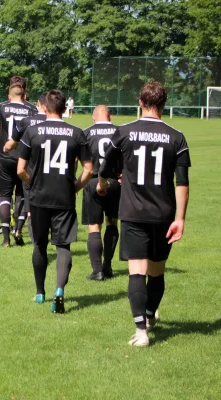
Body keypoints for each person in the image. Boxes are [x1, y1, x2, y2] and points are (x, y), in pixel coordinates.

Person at [98, 82, 191, 347]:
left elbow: (106, 168)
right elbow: (182, 183)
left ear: (140, 101)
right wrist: (180, 219)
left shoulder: (124, 132)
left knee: (136, 272)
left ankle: (141, 331)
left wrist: (103, 184)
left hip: (133, 212)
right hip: (163, 214)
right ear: (164, 103)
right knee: (157, 272)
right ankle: (149, 316)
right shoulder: (177, 137)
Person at [17, 89, 93, 313]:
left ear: (44, 106)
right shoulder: (77, 133)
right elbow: (89, 169)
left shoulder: (32, 131)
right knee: (63, 246)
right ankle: (59, 290)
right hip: (64, 197)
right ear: (63, 108)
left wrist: (32, 184)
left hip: (38, 197)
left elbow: (20, 169)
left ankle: (40, 292)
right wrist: (76, 187)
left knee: (39, 244)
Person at [0, 78, 36, 247]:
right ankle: (18, 230)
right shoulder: (31, 109)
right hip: (25, 158)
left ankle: (6, 238)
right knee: (21, 195)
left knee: (4, 195)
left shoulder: (1, 107)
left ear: (9, 95)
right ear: (24, 95)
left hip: (5, 157)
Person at [82, 105, 122, 281]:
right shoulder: (120, 132)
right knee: (112, 223)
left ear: (93, 118)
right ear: (110, 117)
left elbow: (78, 160)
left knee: (94, 226)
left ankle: (97, 270)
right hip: (114, 182)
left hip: (92, 182)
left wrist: (76, 184)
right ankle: (108, 265)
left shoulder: (86, 133)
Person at [4, 92, 48, 244]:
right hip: (50, 169)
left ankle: (35, 242)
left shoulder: (26, 122)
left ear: (38, 104)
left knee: (29, 203)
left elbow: (11, 143)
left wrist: (5, 149)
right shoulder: (56, 122)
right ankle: (20, 229)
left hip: (29, 168)